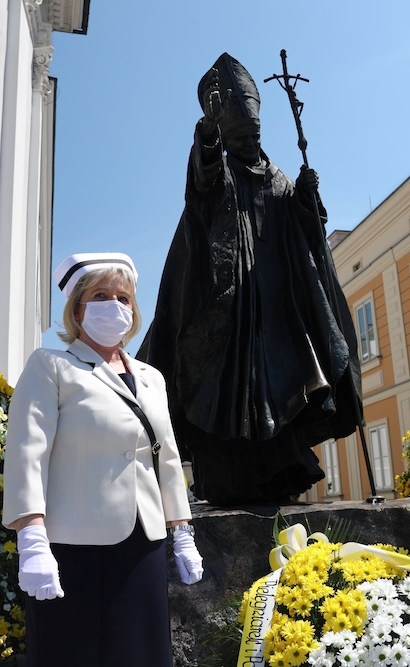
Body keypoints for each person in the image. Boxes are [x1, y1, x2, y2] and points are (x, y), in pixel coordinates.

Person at [137, 53, 362, 505]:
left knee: (285, 389)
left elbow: (305, 233)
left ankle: (279, 480)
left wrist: (306, 200)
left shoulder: (276, 176)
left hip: (278, 312)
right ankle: (227, 481)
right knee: (227, 399)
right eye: (239, 134)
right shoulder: (222, 170)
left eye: (254, 133)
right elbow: (202, 184)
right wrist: (207, 136)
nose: (249, 139)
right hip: (229, 315)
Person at [2, 252, 204, 667]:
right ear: (77, 308)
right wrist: (31, 537)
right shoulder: (51, 365)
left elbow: (165, 456)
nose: (115, 305)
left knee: (142, 654)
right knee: (72, 654)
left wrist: (182, 531)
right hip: (72, 547)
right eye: (100, 294)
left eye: (124, 297)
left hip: (143, 543)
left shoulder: (152, 377)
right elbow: (27, 451)